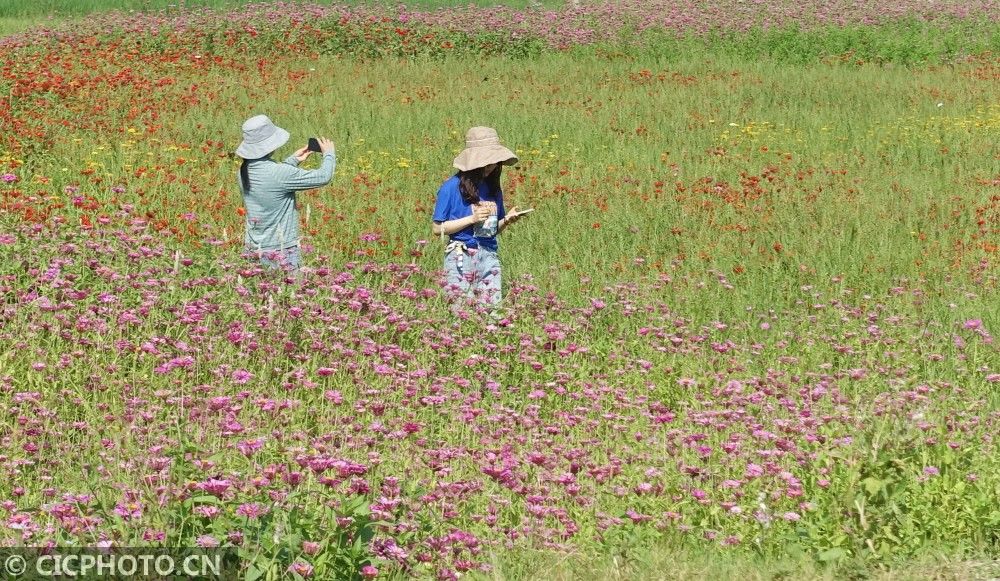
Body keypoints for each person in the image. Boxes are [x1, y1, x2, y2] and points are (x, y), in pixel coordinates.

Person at [431, 126, 528, 311]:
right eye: (487, 163)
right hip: (461, 255)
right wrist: (471, 219)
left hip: (489, 255)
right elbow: (437, 228)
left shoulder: (492, 189)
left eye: (494, 163)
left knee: (491, 311)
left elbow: (492, 230)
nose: (491, 168)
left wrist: (506, 220)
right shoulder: (450, 188)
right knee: (461, 312)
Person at [235, 114, 335, 273]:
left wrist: (292, 161)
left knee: (257, 296)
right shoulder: (279, 174)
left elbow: (272, 182)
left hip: (252, 249)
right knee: (287, 296)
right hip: (280, 251)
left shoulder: (242, 171)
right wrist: (329, 153)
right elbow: (323, 177)